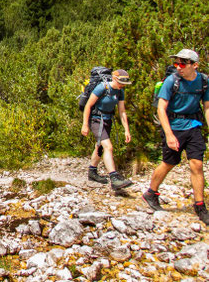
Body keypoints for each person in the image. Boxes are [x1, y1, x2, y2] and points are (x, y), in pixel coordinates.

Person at [143, 49, 209, 225]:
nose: (178, 67)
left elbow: (207, 106)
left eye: (182, 64)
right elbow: (161, 109)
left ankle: (200, 205)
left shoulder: (203, 81)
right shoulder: (172, 81)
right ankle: (151, 193)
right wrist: (169, 135)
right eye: (176, 63)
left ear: (194, 65)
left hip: (194, 125)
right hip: (173, 126)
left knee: (197, 164)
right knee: (169, 162)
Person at [81, 69, 133, 190]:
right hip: (96, 120)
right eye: (121, 82)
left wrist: (126, 130)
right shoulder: (102, 88)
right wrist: (85, 124)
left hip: (108, 120)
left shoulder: (120, 92)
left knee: (99, 146)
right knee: (108, 147)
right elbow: (88, 106)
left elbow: (122, 111)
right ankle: (114, 178)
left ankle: (92, 172)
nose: (122, 86)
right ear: (114, 79)